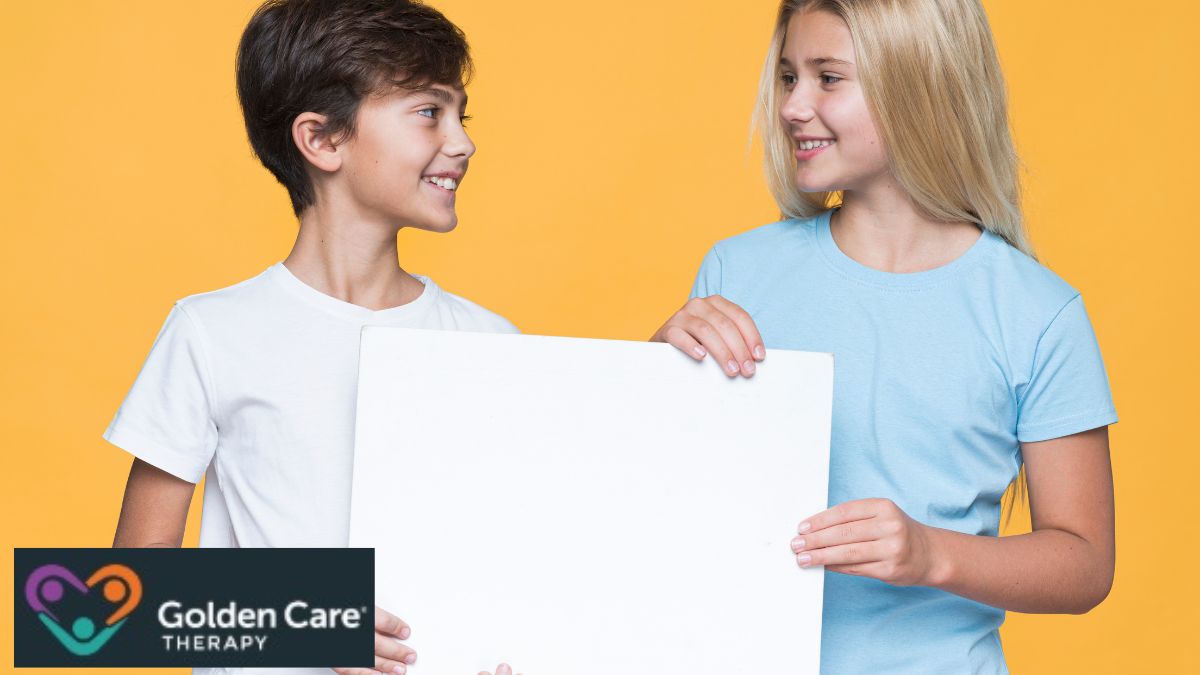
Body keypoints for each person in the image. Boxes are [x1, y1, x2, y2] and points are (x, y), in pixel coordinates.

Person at [651, 1, 1117, 672]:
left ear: (917, 83)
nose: (792, 106)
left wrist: (932, 553)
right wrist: (656, 365)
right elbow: (654, 494)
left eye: (828, 78)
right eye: (788, 77)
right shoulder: (736, 273)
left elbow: (1085, 562)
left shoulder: (1037, 312)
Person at [105, 1, 517, 673]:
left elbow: (532, 555)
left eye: (461, 116)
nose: (462, 142)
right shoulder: (211, 334)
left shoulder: (492, 343)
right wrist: (315, 620)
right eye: (428, 111)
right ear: (322, 140)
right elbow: (111, 608)